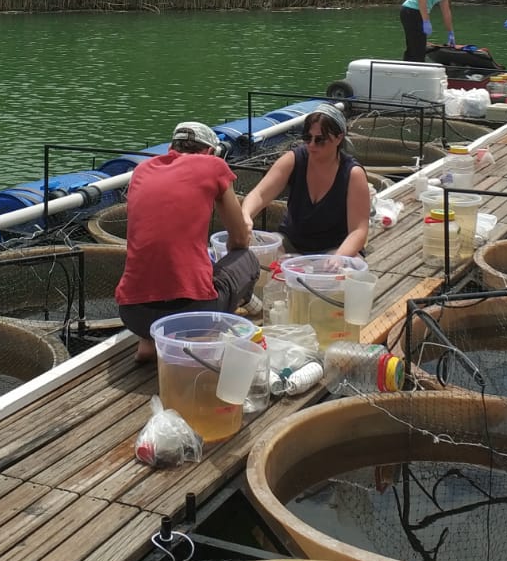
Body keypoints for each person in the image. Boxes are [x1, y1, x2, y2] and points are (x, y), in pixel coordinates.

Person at [115, 120, 260, 365]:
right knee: (247, 258)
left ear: (172, 148)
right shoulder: (213, 166)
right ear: (211, 152)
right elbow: (239, 239)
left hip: (133, 315)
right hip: (193, 315)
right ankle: (220, 327)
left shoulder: (141, 170)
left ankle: (148, 342)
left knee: (159, 267)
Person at [242, 103, 368, 257]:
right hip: (291, 243)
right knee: (255, 256)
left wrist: (338, 258)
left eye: (320, 140)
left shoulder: (353, 174)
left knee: (344, 270)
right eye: (307, 138)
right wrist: (246, 216)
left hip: (335, 248)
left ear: (338, 138)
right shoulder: (294, 159)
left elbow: (359, 231)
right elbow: (260, 194)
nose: (312, 145)